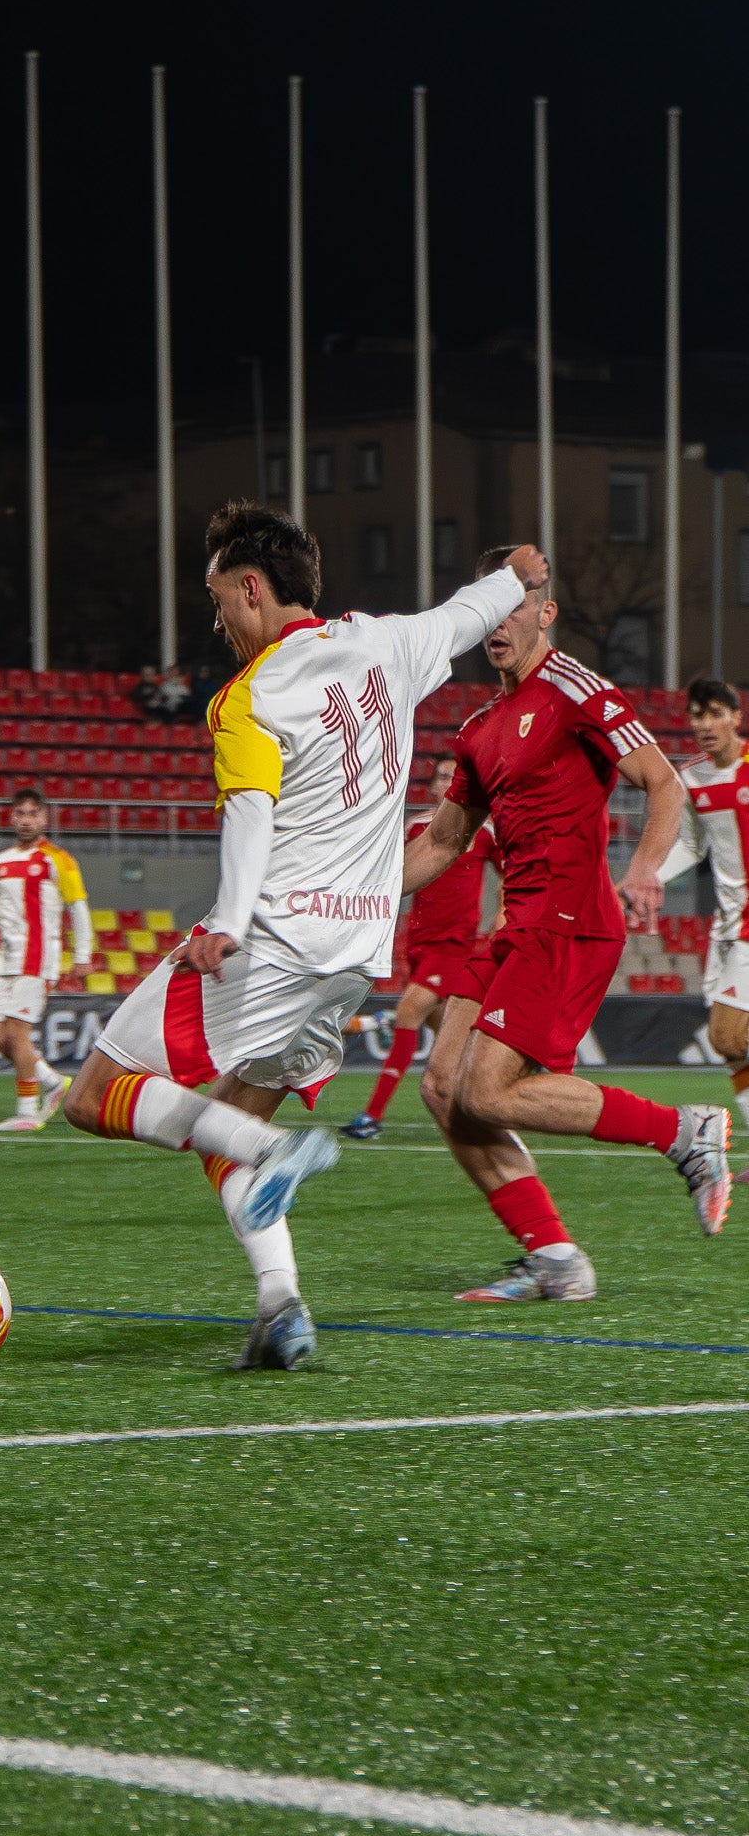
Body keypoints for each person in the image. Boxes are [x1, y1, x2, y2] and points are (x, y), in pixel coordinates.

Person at [62, 501, 544, 1370]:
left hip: (276, 941)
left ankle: (273, 1151)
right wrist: (516, 574)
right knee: (223, 1130)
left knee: (92, 1096)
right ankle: (281, 1305)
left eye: (217, 599)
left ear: (252, 588)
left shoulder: (250, 696)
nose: (214, 620)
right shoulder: (387, 643)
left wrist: (226, 921)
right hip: (355, 957)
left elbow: (250, 813)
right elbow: (465, 615)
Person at [409, 550, 730, 1306]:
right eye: (487, 606)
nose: (499, 620)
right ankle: (553, 1257)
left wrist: (645, 868)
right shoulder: (480, 724)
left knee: (487, 1092)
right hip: (510, 926)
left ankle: (682, 1130)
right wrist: (344, 894)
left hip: (566, 920)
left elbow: (662, 782)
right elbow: (442, 841)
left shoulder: (572, 688)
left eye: (515, 602)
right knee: (443, 1087)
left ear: (543, 612)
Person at [342, 755, 499, 1139]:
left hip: (454, 945)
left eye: (455, 777)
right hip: (418, 944)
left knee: (409, 1010)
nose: (449, 782)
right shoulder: (416, 829)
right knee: (454, 1040)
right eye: (443, 776)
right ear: (430, 787)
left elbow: (512, 874)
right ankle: (511, 1076)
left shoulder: (485, 831)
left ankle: (372, 1117)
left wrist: (504, 915)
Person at [655, 677, 749, 1183]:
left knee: (726, 1033)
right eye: (697, 715)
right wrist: (646, 876)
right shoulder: (691, 778)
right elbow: (692, 847)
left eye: (715, 713)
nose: (705, 724)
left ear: (736, 715)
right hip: (729, 926)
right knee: (732, 1046)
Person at [0, 787, 92, 1131]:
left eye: (33, 814)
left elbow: (78, 907)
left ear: (44, 818)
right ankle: (53, 1081)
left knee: (16, 1033)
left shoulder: (58, 859)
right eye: (20, 814)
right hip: (5, 958)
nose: (26, 821)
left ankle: (27, 1111)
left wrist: (82, 954)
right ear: (11, 818)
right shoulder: (1, 860)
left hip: (38, 957)